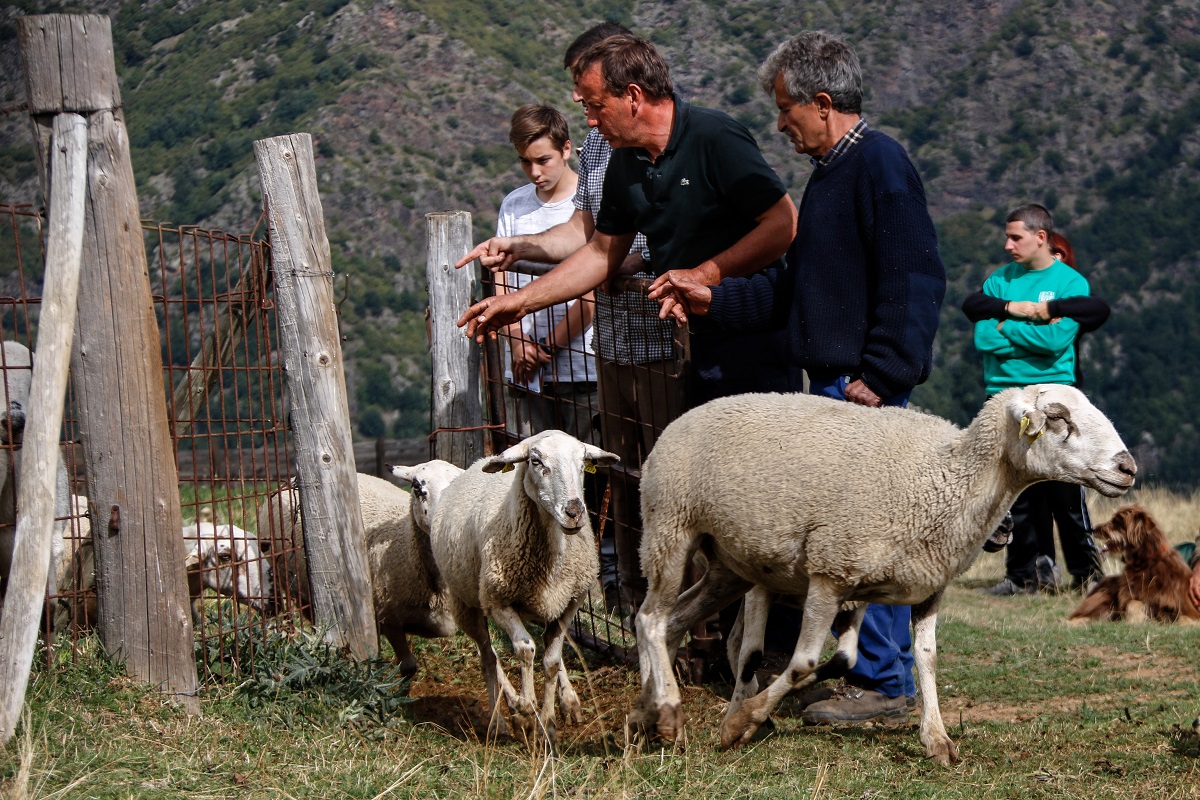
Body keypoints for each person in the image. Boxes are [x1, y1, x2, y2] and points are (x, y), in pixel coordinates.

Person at [649, 30, 946, 725]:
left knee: (863, 543)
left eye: (787, 109)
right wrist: (713, 298)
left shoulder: (881, 168)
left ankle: (888, 686)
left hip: (862, 392)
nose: (781, 124)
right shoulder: (833, 177)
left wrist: (882, 373)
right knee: (843, 542)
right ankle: (851, 671)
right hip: (838, 389)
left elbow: (915, 277)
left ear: (822, 100)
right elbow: (793, 295)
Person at [455, 23, 683, 617]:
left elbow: (646, 243)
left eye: (591, 98)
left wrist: (608, 268)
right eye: (579, 100)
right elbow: (587, 237)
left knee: (660, 483)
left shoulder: (671, 144)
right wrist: (520, 251)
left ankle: (682, 618)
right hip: (611, 342)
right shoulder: (598, 149)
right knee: (625, 481)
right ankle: (631, 606)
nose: (585, 111)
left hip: (660, 339)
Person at [970, 204, 1104, 596]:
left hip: (1053, 395)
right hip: (1005, 394)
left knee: (1066, 488)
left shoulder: (1070, 285)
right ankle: (1021, 576)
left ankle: (1088, 574)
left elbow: (1057, 342)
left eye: (1016, 237)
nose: (1007, 244)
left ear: (1040, 237)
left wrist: (1006, 324)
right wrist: (1029, 329)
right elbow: (983, 338)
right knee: (1017, 491)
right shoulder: (997, 281)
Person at [491, 104, 597, 444]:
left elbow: (590, 288)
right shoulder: (513, 205)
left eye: (543, 160)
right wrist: (519, 343)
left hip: (581, 369)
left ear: (566, 149)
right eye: (525, 161)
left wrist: (546, 348)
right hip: (524, 369)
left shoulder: (587, 204)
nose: (534, 171)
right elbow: (501, 280)